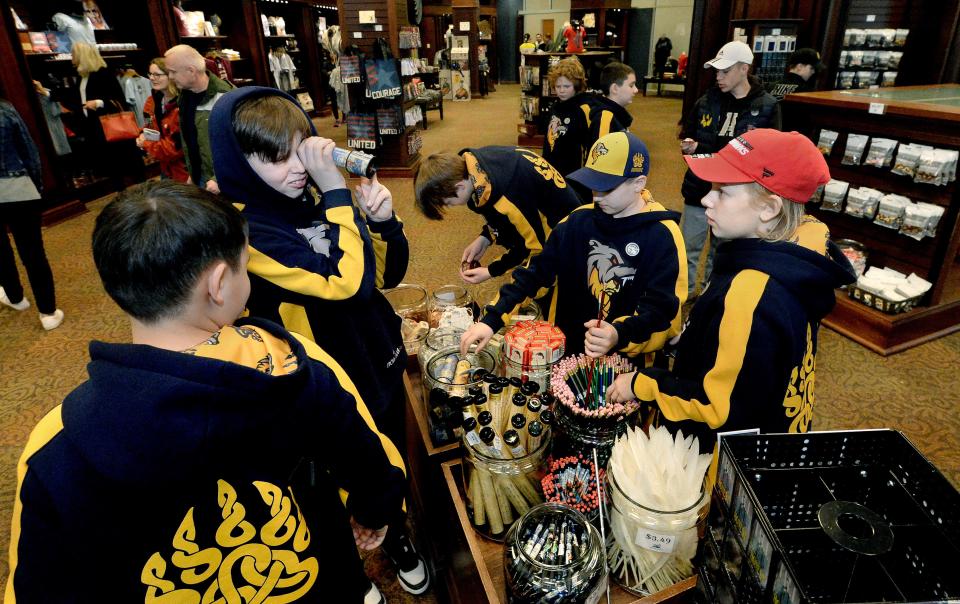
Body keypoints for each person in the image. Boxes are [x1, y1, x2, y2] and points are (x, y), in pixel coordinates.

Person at [6, 181, 407, 602]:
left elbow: (39, 584)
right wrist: (375, 511)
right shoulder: (292, 362)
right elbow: (365, 457)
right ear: (218, 283)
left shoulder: (55, 445)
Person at [209, 87, 428, 596]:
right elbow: (341, 281)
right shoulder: (247, 229)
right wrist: (336, 193)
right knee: (332, 479)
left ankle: (395, 533)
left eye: (299, 148)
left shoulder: (309, 202)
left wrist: (384, 224)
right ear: (237, 161)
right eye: (273, 156)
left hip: (374, 355)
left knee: (385, 451)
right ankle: (361, 560)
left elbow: (379, 278)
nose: (295, 167)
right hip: (321, 381)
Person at [609, 129, 856, 455]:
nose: (706, 199)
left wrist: (643, 384)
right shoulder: (794, 259)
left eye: (723, 192)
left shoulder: (750, 296)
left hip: (719, 457)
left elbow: (717, 407)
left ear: (769, 208)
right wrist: (697, 337)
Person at [460, 132, 686, 362]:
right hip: (568, 347)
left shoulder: (663, 234)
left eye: (606, 188)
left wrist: (619, 334)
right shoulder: (578, 220)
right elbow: (535, 273)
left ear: (638, 183)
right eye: (593, 186)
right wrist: (492, 320)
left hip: (624, 365)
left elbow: (663, 311)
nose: (597, 197)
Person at [679, 40, 780, 297]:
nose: (719, 77)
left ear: (744, 69)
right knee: (686, 247)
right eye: (717, 71)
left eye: (725, 71)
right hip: (699, 188)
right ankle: (685, 294)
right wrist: (689, 147)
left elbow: (770, 155)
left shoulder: (767, 106)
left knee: (723, 251)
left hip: (738, 196)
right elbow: (688, 135)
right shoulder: (706, 101)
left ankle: (712, 295)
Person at [414, 146, 583, 286]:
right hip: (544, 210)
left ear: (459, 187)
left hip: (568, 235)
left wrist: (491, 270)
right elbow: (504, 218)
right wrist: (486, 237)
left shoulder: (505, 195)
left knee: (541, 287)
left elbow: (533, 247)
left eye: (448, 203)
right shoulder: (476, 167)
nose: (451, 207)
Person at [0, 98, 63, 331]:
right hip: (18, 188)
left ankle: (16, 298)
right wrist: (36, 186)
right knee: (33, 253)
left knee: (1, 250)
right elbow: (29, 151)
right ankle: (48, 312)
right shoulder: (6, 109)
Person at [65, 42, 143, 189]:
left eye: (74, 54)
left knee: (122, 159)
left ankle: (138, 189)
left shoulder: (103, 73)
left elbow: (118, 99)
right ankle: (121, 191)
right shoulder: (81, 77)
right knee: (109, 163)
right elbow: (74, 98)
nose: (72, 58)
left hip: (111, 124)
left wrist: (98, 103)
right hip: (93, 126)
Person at [164, 44, 234, 193]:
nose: (169, 77)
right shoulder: (185, 97)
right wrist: (193, 174)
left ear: (191, 70)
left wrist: (219, 178)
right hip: (202, 179)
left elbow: (243, 143)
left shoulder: (225, 97)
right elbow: (193, 140)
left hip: (225, 183)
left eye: (172, 72)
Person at [136, 57, 188, 182]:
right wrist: (143, 133)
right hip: (166, 168)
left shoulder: (183, 105)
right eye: (150, 74)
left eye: (157, 75)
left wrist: (146, 143)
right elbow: (149, 124)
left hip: (184, 171)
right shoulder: (151, 101)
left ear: (171, 75)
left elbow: (174, 149)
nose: (152, 78)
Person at [542, 57, 595, 178]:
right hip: (550, 165)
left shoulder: (582, 109)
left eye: (567, 86)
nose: (561, 91)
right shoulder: (554, 108)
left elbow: (588, 145)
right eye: (558, 86)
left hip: (572, 170)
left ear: (576, 86)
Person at [588, 62, 637, 141]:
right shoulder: (605, 118)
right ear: (615, 88)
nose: (636, 90)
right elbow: (602, 152)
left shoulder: (616, 114)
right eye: (631, 85)